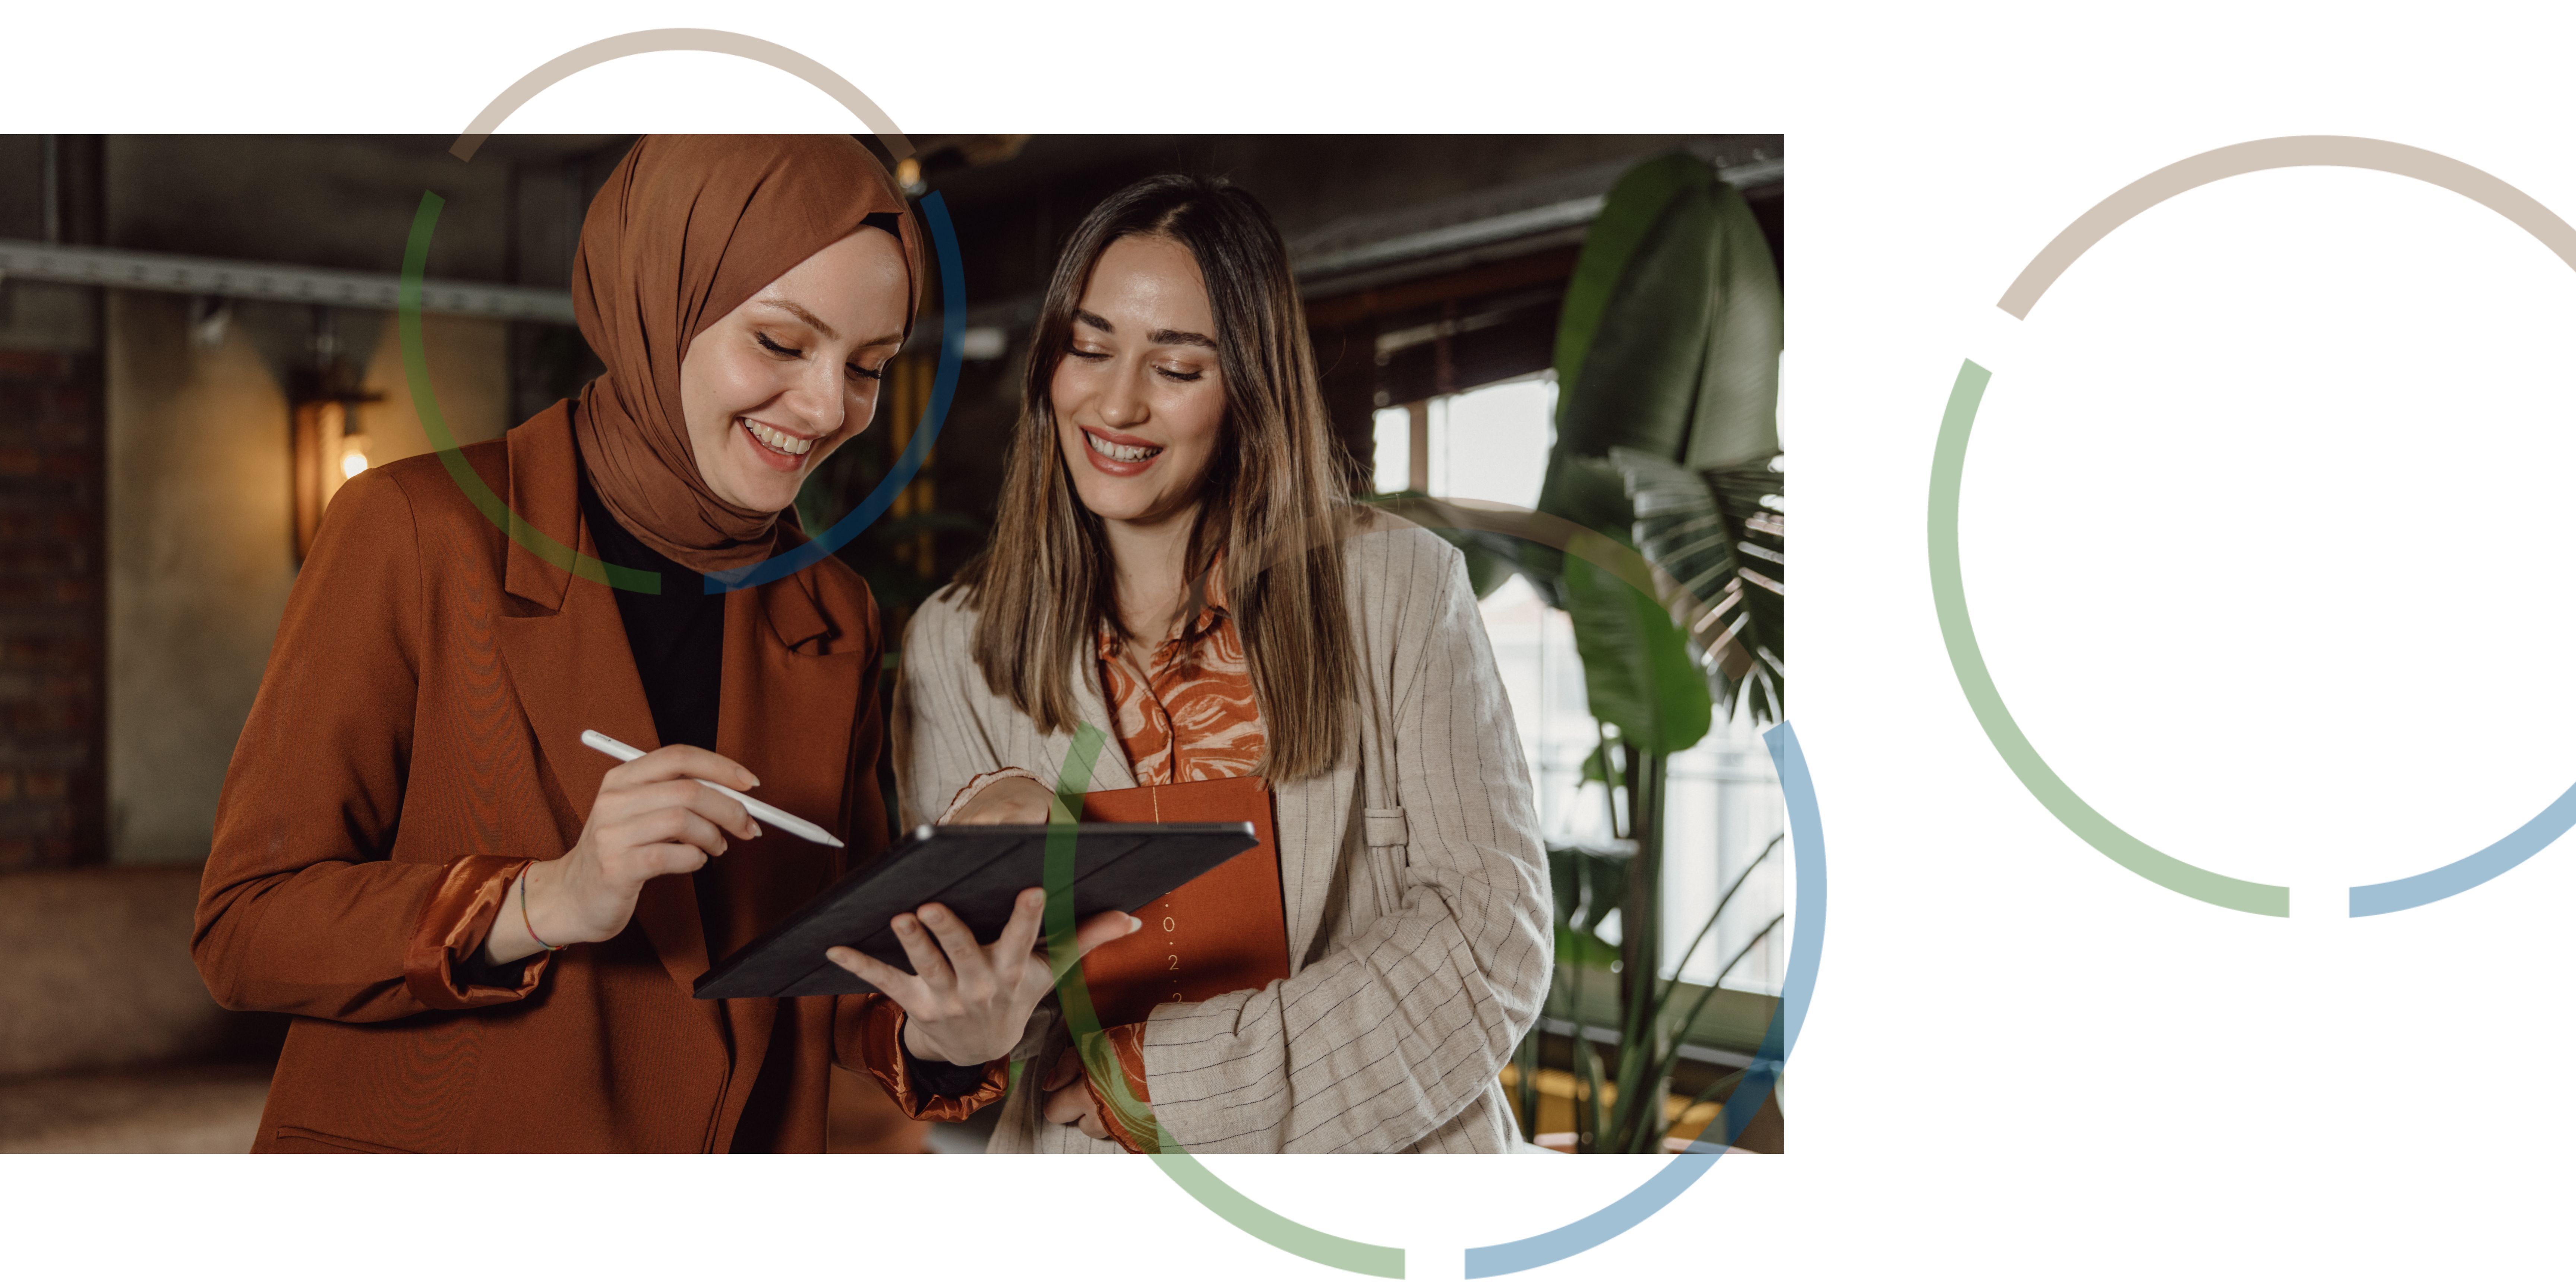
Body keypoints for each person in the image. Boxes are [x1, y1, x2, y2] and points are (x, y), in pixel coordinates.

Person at [192, 134, 1131, 1153]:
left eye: (868, 367)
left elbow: (839, 966)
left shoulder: (832, 612)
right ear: (660, 303)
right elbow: (246, 929)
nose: (827, 409)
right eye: (780, 343)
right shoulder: (417, 531)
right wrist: (546, 897)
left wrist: (949, 1030)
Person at [890, 174, 1553, 1153]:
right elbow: (990, 1025)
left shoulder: (1402, 589)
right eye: (1091, 347)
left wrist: (1167, 1081)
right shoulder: (956, 644)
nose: (1118, 403)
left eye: (1177, 368)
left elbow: (1488, 940)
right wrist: (954, 1026)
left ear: (1248, 386)